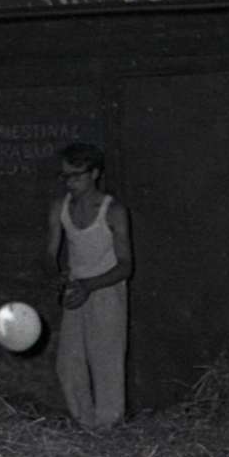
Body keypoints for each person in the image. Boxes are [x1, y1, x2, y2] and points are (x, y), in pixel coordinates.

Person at [47, 141, 132, 429]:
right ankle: (85, 427)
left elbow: (126, 266)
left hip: (106, 289)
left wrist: (89, 286)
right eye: (65, 176)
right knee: (68, 364)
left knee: (107, 363)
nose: (70, 182)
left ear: (94, 173)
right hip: (75, 290)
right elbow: (49, 254)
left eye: (77, 175)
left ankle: (108, 429)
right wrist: (56, 275)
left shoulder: (113, 210)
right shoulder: (60, 207)